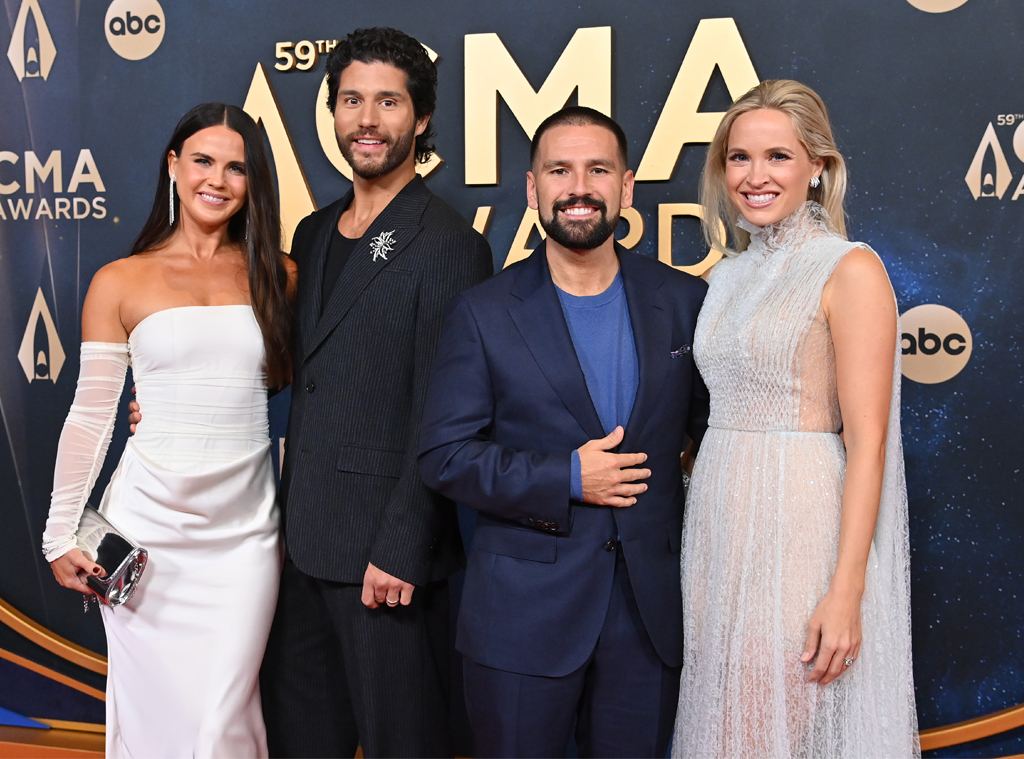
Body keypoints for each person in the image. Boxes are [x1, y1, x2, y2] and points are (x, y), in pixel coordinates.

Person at [418, 106, 709, 758]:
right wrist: (568, 477)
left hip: (647, 618)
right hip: (521, 621)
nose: (579, 187)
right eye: (560, 170)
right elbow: (444, 455)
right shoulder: (483, 311)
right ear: (532, 189)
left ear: (627, 186)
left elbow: (718, 437)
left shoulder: (684, 302)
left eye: (597, 169)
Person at [256, 27, 492, 759]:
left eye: (388, 101)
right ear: (332, 114)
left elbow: (445, 411)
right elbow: (295, 367)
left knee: (404, 744)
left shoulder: (450, 242)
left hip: (385, 565)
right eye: (352, 99)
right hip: (301, 547)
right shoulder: (314, 230)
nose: (367, 119)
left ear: (420, 119)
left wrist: (401, 547)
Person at [671, 79, 919, 758]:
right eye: (739, 157)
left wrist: (846, 591)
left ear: (818, 166)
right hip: (720, 531)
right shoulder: (725, 275)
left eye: (777, 156)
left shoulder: (849, 268)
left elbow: (868, 443)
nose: (755, 176)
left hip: (799, 528)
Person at [41, 102, 297, 757]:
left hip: (245, 537)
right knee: (156, 727)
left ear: (253, 181)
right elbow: (92, 415)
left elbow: (297, 388)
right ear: (173, 165)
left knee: (222, 724)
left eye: (237, 167)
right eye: (204, 160)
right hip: (149, 535)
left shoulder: (280, 275)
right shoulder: (120, 281)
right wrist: (58, 532)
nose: (218, 178)